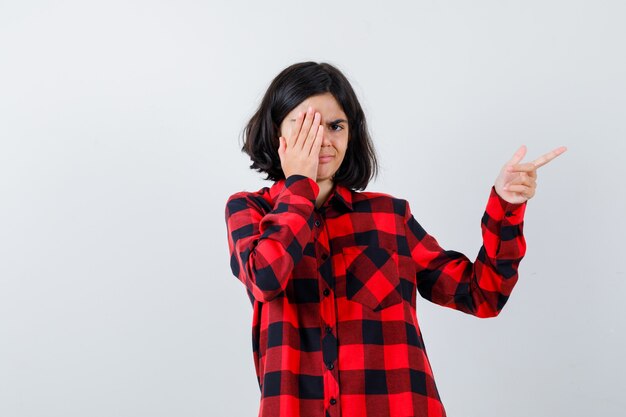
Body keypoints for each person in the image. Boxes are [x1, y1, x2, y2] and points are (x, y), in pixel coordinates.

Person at [224, 61, 566, 417]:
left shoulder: (390, 217)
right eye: (305, 126)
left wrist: (505, 208)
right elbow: (265, 277)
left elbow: (483, 295)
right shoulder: (250, 211)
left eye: (335, 126)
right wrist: (300, 186)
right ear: (277, 132)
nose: (322, 139)